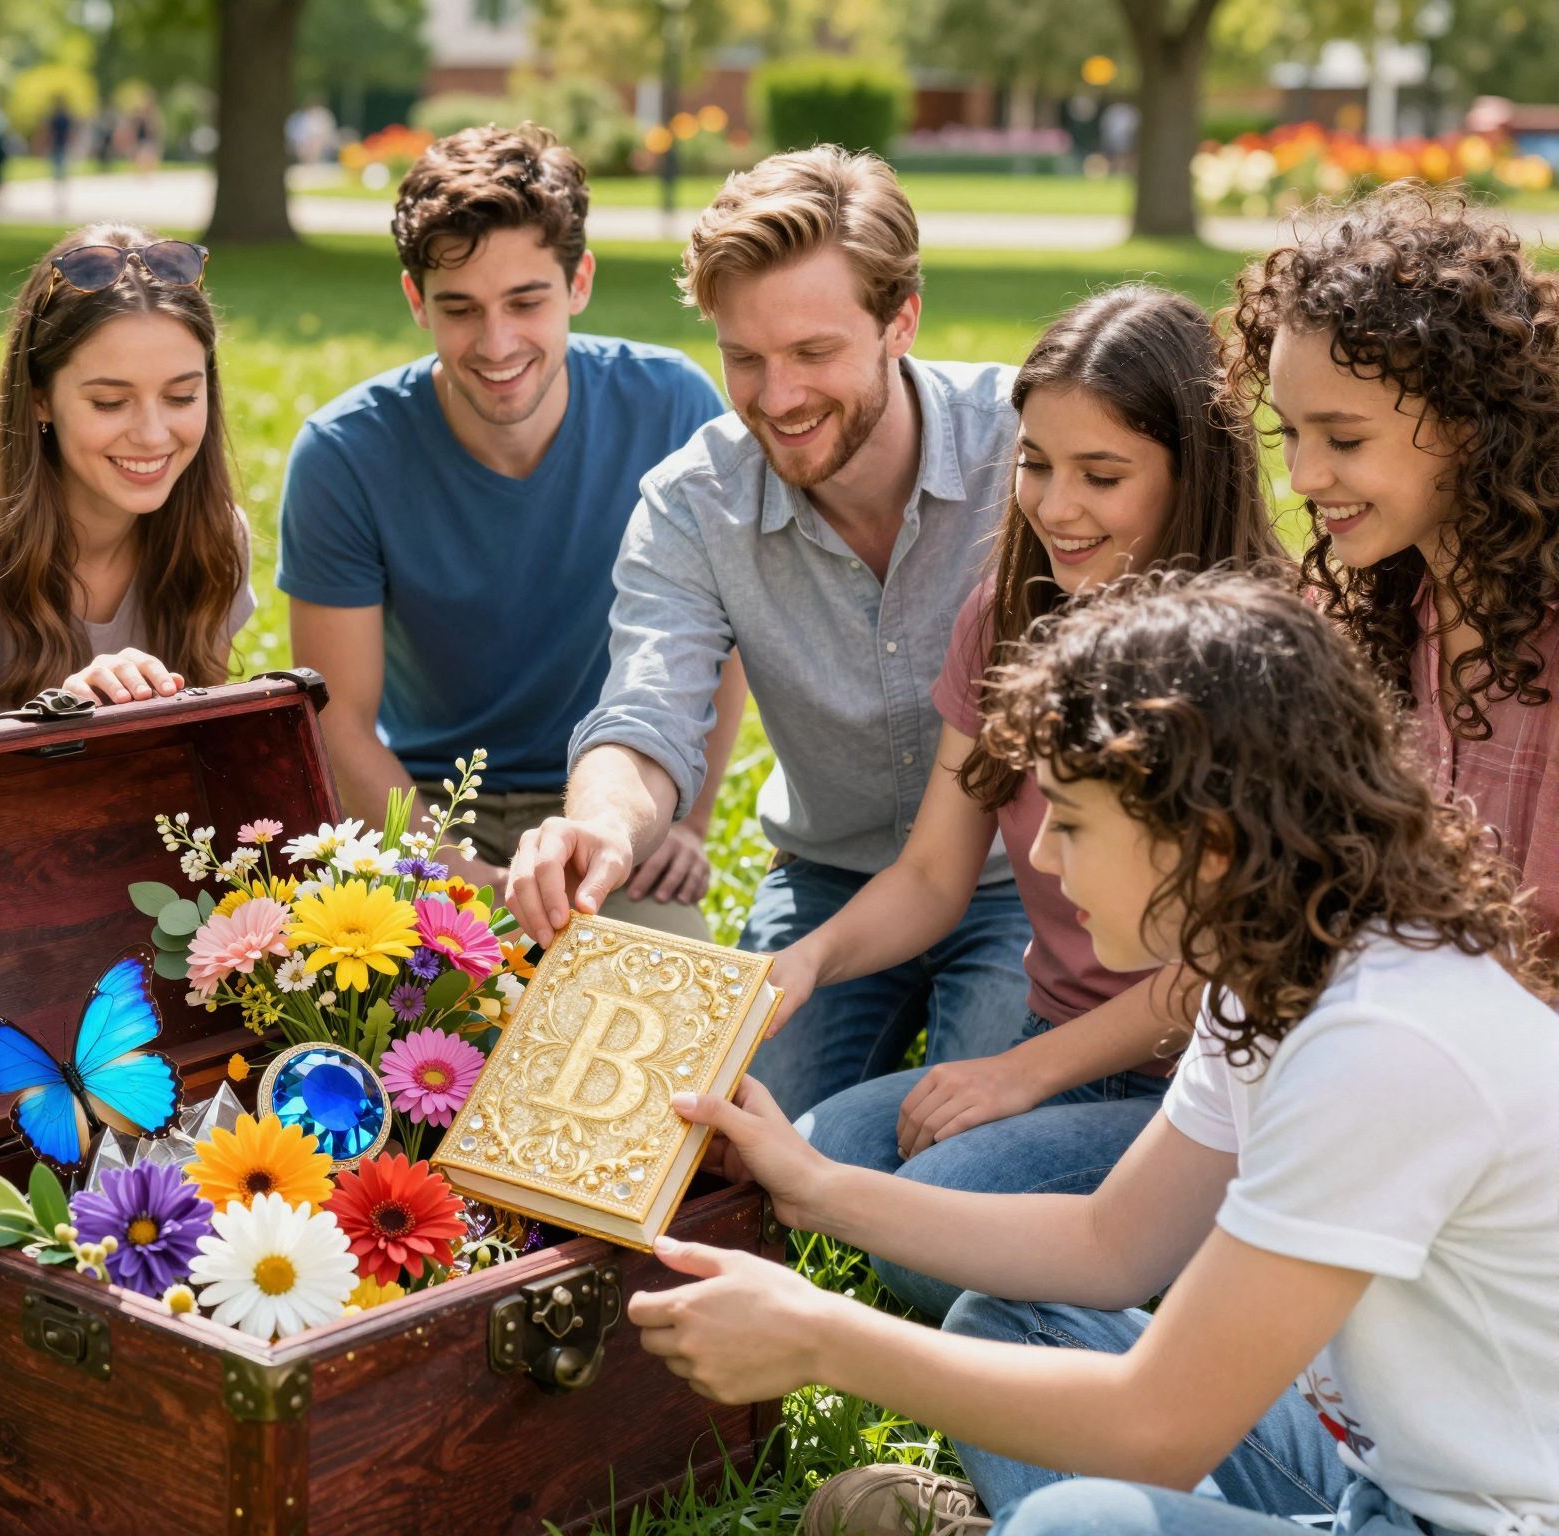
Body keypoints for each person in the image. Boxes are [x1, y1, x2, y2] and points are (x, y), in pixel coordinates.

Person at [628, 570, 1559, 1536]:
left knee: (1081, 1524)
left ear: (1204, 839)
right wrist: (815, 1183)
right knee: (1013, 1319)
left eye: (1070, 821)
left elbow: (1158, 1430)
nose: (1039, 859)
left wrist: (823, 1338)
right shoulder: (1276, 972)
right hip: (1383, 1480)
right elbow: (1110, 1246)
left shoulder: (1380, 1048)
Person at [780, 285, 1285, 1320]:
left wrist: (1016, 1075)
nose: (1055, 507)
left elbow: (1229, 968)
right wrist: (805, 962)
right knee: (819, 1156)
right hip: (1064, 1047)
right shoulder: (1008, 611)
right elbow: (930, 873)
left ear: (1191, 474)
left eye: (1101, 475)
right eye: (1034, 464)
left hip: (1205, 1089)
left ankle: (1186, 1282)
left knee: (931, 1228)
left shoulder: (1258, 654)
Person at [505, 146, 1030, 1119]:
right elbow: (645, 708)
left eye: (811, 353)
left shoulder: (1024, 452)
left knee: (956, 1166)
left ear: (898, 321)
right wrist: (598, 829)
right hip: (829, 879)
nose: (775, 396)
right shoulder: (691, 504)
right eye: (742, 357)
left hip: (1022, 881)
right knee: (742, 1135)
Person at [278, 124, 741, 936]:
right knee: (380, 1048)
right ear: (416, 300)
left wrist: (689, 821)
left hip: (617, 797)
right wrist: (456, 876)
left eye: (526, 301)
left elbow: (728, 633)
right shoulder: (344, 454)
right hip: (419, 807)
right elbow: (338, 719)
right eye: (459, 309)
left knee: (658, 1047)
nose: (496, 345)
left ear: (579, 282)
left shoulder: (673, 406)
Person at [1224, 181, 1559, 953]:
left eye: (1344, 441)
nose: (1304, 477)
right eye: (1291, 433)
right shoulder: (1357, 617)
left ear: (1471, 424)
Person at [0, 225, 253, 734]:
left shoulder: (214, 538)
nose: (154, 436)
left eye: (181, 398)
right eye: (110, 402)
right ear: (40, 397)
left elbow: (201, 766)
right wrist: (62, 722)